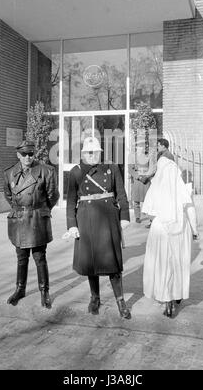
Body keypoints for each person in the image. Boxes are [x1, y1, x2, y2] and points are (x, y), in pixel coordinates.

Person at [66, 136, 131, 319]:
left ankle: (120, 302)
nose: (93, 156)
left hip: (108, 219)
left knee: (113, 264)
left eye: (96, 152)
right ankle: (95, 298)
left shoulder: (111, 168)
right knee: (90, 262)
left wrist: (124, 216)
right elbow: (71, 201)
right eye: (89, 152)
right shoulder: (76, 172)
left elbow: (121, 194)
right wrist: (72, 225)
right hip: (86, 220)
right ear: (83, 154)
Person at [3, 140, 59, 309]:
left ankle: (44, 291)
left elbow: (53, 196)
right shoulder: (9, 173)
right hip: (19, 219)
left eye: (31, 154)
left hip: (36, 219)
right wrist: (20, 209)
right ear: (18, 155)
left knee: (39, 257)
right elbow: (8, 195)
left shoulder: (46, 171)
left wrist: (40, 210)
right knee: (21, 257)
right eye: (24, 154)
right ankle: (20, 289)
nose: (28, 157)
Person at [142, 155, 198, 317]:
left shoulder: (156, 187)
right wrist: (195, 231)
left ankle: (165, 298)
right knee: (178, 263)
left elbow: (150, 212)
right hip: (181, 228)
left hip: (160, 230)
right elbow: (190, 210)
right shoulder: (181, 187)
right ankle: (176, 294)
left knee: (162, 263)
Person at [128, 142, 155, 225]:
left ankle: (150, 217)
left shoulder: (149, 156)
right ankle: (137, 217)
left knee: (148, 199)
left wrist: (147, 176)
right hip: (137, 180)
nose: (141, 148)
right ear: (136, 147)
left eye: (143, 146)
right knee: (136, 199)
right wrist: (138, 177)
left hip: (146, 179)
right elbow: (130, 169)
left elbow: (152, 168)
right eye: (139, 146)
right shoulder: (132, 156)